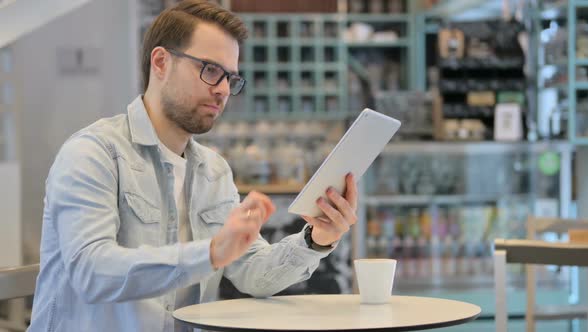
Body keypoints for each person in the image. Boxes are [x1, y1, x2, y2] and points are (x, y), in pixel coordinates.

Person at [28, 1, 358, 331]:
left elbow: (253, 274)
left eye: (231, 78)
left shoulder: (214, 171)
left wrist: (315, 239)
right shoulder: (92, 154)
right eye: (210, 70)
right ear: (161, 62)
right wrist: (210, 253)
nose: (223, 90)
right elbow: (91, 272)